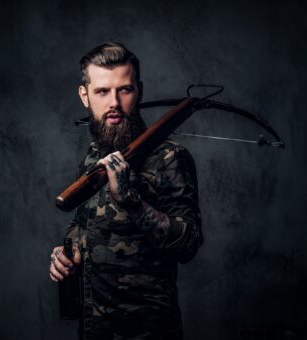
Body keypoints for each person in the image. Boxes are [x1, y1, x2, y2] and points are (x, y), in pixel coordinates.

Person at [49, 42, 203, 340]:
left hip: (148, 331)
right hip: (93, 329)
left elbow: (189, 243)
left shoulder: (170, 157)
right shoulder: (93, 156)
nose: (114, 103)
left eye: (125, 89)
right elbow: (82, 223)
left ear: (139, 91)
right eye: (102, 91)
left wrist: (130, 200)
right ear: (85, 96)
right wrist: (67, 252)